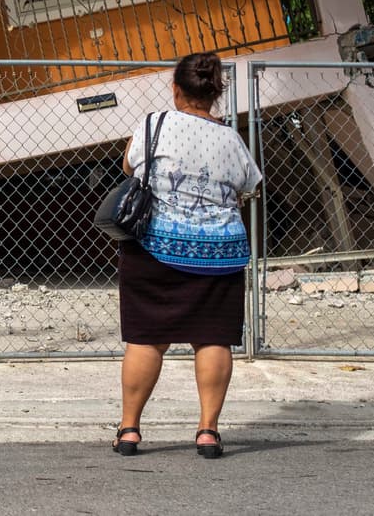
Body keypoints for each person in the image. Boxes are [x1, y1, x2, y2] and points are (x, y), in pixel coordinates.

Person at [111, 52, 262, 459]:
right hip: (219, 252)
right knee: (213, 338)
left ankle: (129, 431)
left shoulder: (154, 124)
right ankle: (208, 432)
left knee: (146, 339)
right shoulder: (231, 138)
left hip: (153, 249)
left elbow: (129, 166)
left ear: (175, 88)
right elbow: (248, 185)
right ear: (216, 93)